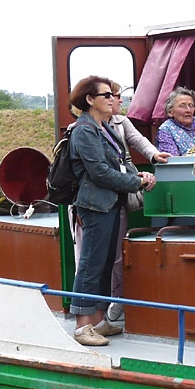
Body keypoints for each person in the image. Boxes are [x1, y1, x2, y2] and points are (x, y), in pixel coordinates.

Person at [68, 75, 156, 346]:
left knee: (105, 264)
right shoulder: (84, 130)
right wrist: (136, 182)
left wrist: (138, 174)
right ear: (89, 100)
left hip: (111, 202)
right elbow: (99, 172)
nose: (113, 99)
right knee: (90, 264)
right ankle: (83, 326)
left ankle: (98, 320)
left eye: (112, 94)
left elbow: (118, 160)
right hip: (95, 205)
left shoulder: (103, 127)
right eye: (106, 95)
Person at [104, 82, 171, 324]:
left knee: (117, 254)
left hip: (120, 192)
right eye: (115, 97)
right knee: (90, 255)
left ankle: (116, 300)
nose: (120, 102)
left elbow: (139, 140)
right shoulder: (82, 128)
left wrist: (154, 155)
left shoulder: (121, 122)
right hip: (97, 198)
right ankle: (89, 308)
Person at [156, 87, 195, 155]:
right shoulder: (166, 129)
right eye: (182, 106)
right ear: (170, 112)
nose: (188, 110)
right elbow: (172, 160)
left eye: (191, 105)